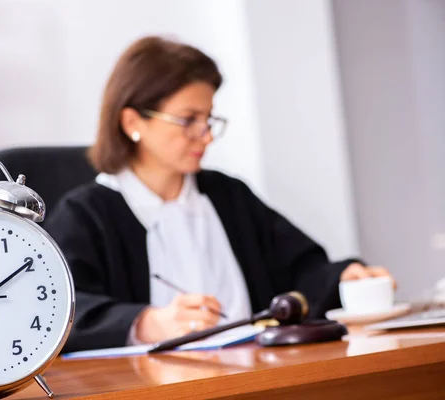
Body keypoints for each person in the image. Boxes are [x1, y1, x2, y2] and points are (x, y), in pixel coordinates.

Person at [44, 36, 394, 353]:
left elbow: (302, 272)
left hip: (259, 372)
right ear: (133, 122)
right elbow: (56, 309)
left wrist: (346, 277)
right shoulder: (85, 214)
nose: (206, 136)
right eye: (188, 120)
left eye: (209, 119)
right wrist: (146, 323)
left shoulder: (228, 196)